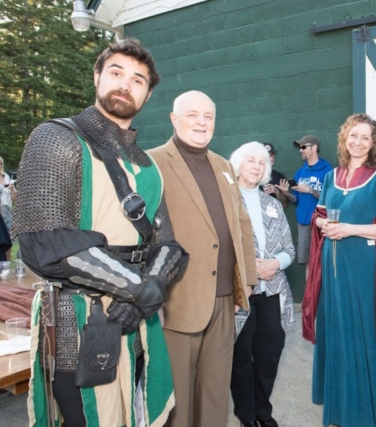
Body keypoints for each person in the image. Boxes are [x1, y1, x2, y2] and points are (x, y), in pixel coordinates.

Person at [13, 39, 188, 426]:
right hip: (78, 317)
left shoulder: (147, 166)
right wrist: (140, 291)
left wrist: (147, 293)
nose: (126, 84)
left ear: (148, 93)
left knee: (135, 415)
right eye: (116, 73)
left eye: (138, 80)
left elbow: (168, 245)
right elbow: (48, 243)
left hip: (138, 324)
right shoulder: (56, 139)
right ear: (96, 77)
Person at [147, 90, 257, 427]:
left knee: (214, 393)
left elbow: (241, 225)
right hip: (177, 300)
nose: (201, 122)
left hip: (224, 299)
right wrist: (151, 296)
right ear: (174, 119)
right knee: (177, 399)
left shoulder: (223, 166)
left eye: (208, 116)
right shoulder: (151, 163)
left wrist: (246, 284)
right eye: (192, 114)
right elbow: (142, 232)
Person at [302, 113, 376, 427]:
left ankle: (366, 415)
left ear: (373, 143)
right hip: (332, 273)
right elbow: (317, 218)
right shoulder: (332, 177)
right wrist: (326, 224)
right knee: (336, 335)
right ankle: (338, 411)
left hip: (363, 272)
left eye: (365, 137)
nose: (358, 142)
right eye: (353, 136)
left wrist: (349, 228)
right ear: (344, 138)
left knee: (363, 335)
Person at [229, 142, 296, 427]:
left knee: (269, 354)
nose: (256, 166)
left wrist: (274, 263)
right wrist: (245, 265)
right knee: (241, 358)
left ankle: (262, 411)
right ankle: (246, 415)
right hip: (239, 293)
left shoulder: (272, 204)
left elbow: (289, 249)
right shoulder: (225, 201)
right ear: (238, 164)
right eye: (250, 160)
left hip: (272, 291)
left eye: (261, 162)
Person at [278, 135, 332, 278]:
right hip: (303, 224)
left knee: (323, 262)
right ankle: (309, 299)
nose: (301, 150)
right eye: (300, 147)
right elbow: (297, 201)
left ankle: (322, 299)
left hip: (321, 225)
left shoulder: (328, 171)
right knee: (308, 263)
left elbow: (331, 199)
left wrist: (311, 190)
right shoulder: (300, 172)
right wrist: (287, 193)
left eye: (303, 147)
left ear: (314, 148)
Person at [261, 142, 289, 207]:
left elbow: (284, 204)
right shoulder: (252, 176)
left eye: (273, 155)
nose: (272, 158)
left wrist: (277, 192)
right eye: (268, 156)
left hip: (274, 215)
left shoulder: (279, 176)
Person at [0, 156, 16, 235]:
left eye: (0, 163)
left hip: (7, 208)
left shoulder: (6, 176)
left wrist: (12, 190)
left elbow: (14, 199)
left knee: (8, 234)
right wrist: (5, 189)